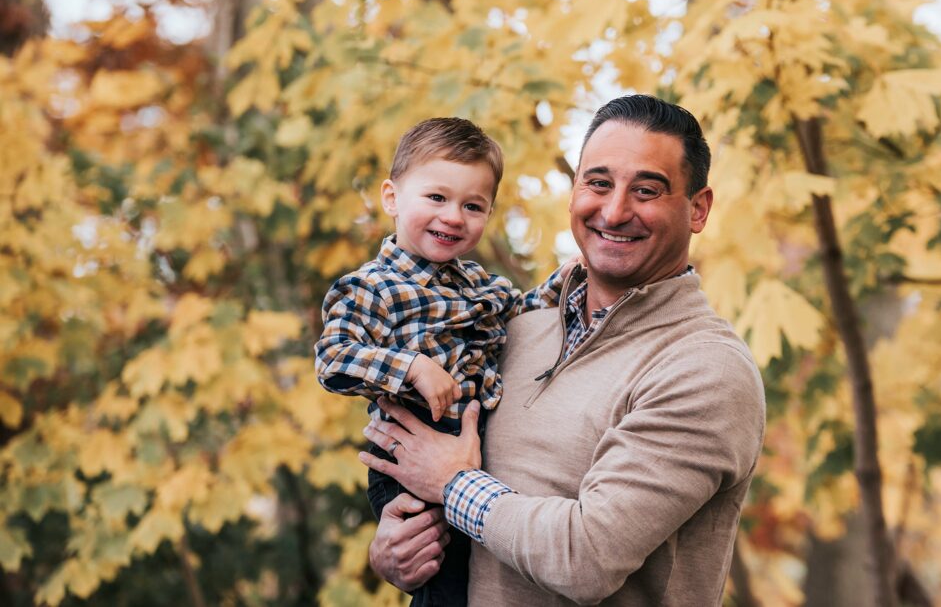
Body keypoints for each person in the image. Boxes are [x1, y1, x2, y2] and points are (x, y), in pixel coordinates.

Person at [359, 95, 767, 605]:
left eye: (646, 190)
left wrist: (453, 483)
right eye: (598, 183)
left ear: (698, 209)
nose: (615, 211)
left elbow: (586, 558)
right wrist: (394, 550)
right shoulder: (516, 330)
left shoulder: (704, 368)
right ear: (574, 192)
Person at [314, 117, 571, 607]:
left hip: (473, 463)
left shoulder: (480, 285)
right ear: (392, 198)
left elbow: (520, 318)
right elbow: (333, 357)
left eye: (472, 206)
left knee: (488, 576)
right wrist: (410, 367)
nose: (453, 216)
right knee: (445, 582)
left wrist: (561, 282)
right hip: (407, 465)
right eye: (436, 198)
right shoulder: (373, 288)